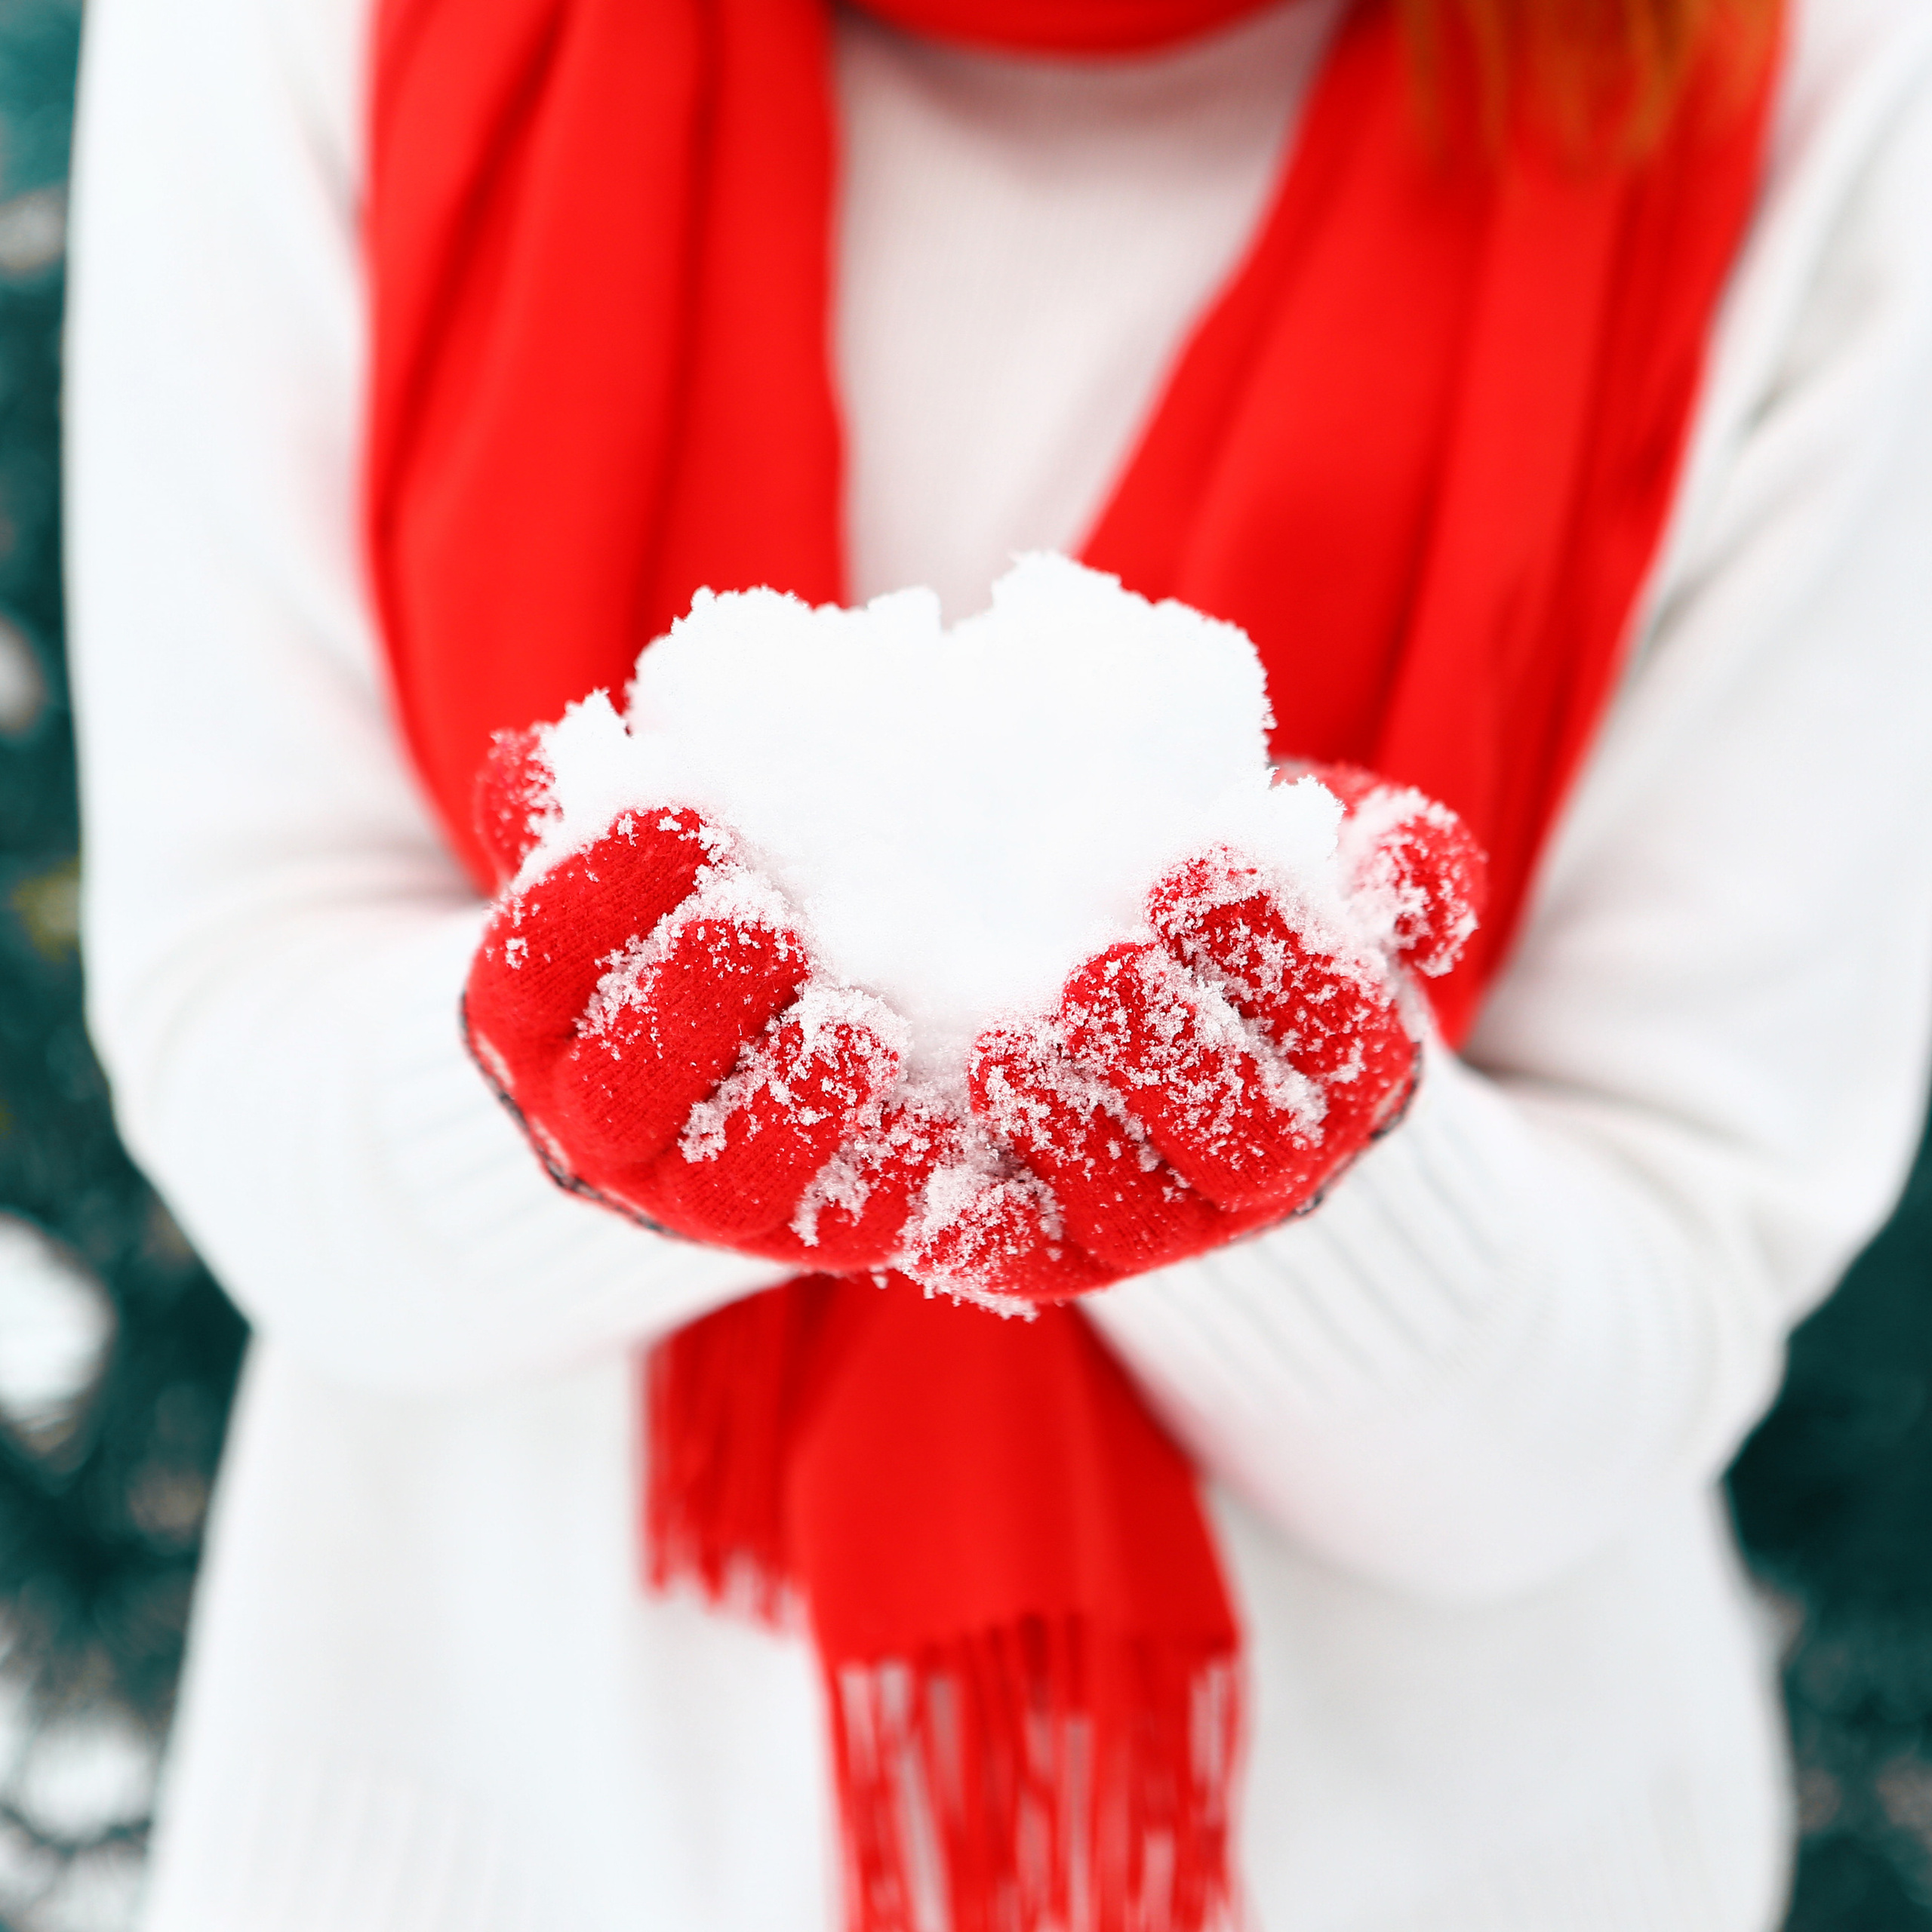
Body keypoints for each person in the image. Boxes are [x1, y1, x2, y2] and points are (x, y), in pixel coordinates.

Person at [62, 0, 1932, 1924]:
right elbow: (243, 1033)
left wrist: (1320, 1176)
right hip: (474, 1838)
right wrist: (571, 1084)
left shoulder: (1806, 82)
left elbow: (1659, 1276)